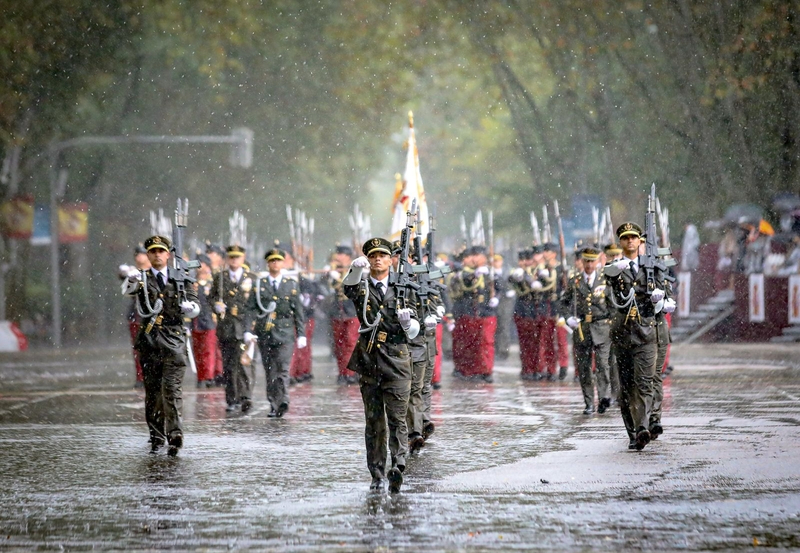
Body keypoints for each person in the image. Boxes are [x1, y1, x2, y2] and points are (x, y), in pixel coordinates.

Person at [343, 237, 420, 493]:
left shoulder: (404, 286)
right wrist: (355, 270)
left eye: (383, 255)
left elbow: (416, 327)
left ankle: (397, 466)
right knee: (374, 421)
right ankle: (376, 473)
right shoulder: (362, 286)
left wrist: (408, 324)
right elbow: (348, 289)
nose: (378, 259)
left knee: (397, 419)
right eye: (373, 256)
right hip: (369, 360)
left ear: (390, 260)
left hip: (397, 360)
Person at [122, 235, 200, 455]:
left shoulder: (181, 278)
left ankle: (175, 434)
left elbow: (195, 303)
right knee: (154, 392)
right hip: (150, 341)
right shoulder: (142, 278)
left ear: (168, 254)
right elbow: (127, 291)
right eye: (153, 251)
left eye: (161, 251)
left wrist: (190, 307)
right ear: (148, 255)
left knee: (172, 390)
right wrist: (131, 279)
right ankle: (156, 435)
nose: (157, 255)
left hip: (174, 340)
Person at [604, 222, 668, 451]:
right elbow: (610, 295)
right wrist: (616, 271)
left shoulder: (653, 267)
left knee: (644, 382)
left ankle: (642, 428)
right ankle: (632, 433)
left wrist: (660, 300)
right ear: (620, 242)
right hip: (622, 333)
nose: (630, 241)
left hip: (646, 332)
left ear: (640, 240)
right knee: (626, 386)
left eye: (633, 237)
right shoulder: (613, 268)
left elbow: (664, 292)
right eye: (625, 238)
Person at [243, 247, 306, 417]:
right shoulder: (259, 285)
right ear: (268, 263)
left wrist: (301, 334)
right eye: (272, 261)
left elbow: (298, 311)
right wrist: (248, 330)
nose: (275, 263)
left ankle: (283, 400)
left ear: (283, 263)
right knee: (270, 370)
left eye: (278, 260)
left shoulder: (291, 285)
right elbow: (250, 309)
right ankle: (273, 403)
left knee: (283, 368)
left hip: (285, 332)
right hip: (265, 331)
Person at [560, 246, 612, 415]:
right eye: (586, 261)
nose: (589, 265)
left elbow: (612, 303)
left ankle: (603, 397)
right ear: (582, 262)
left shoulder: (604, 280)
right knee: (584, 368)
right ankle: (589, 402)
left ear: (597, 262)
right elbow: (563, 302)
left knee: (603, 365)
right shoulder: (575, 281)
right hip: (582, 329)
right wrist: (568, 318)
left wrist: (613, 323)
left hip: (601, 327)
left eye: (592, 261)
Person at [210, 244, 255, 413]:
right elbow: (211, 297)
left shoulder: (251, 277)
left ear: (243, 258)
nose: (234, 260)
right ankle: (232, 399)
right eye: (231, 257)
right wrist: (216, 306)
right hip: (227, 326)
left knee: (244, 362)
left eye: (237, 257)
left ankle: (245, 396)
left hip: (244, 325)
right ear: (227, 259)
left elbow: (256, 302)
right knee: (229, 365)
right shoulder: (220, 278)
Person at [449, 245, 499, 382]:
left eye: (478, 256)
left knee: (486, 342)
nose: (474, 259)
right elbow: (463, 282)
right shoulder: (464, 273)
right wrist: (475, 274)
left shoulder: (489, 272)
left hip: (486, 310)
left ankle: (486, 370)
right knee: (471, 343)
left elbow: (499, 286)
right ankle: (472, 370)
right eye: (473, 256)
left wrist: (496, 297)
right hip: (470, 310)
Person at [325, 245, 360, 384]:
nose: (338, 257)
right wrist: (330, 275)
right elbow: (327, 287)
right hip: (337, 311)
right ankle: (342, 372)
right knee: (339, 345)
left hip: (352, 310)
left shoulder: (356, 269)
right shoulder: (333, 270)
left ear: (348, 257)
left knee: (351, 342)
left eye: (341, 254)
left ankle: (351, 373)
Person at [119, 244, 150, 388]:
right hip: (137, 315)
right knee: (138, 348)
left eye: (142, 254)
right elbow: (127, 289)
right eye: (137, 255)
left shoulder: (154, 272)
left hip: (152, 315)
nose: (139, 257)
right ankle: (140, 376)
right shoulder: (133, 272)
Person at [191, 254, 219, 388]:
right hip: (196, 321)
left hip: (209, 320)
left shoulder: (212, 283)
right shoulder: (192, 283)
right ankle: (200, 376)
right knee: (198, 350)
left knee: (209, 349)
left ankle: (208, 376)